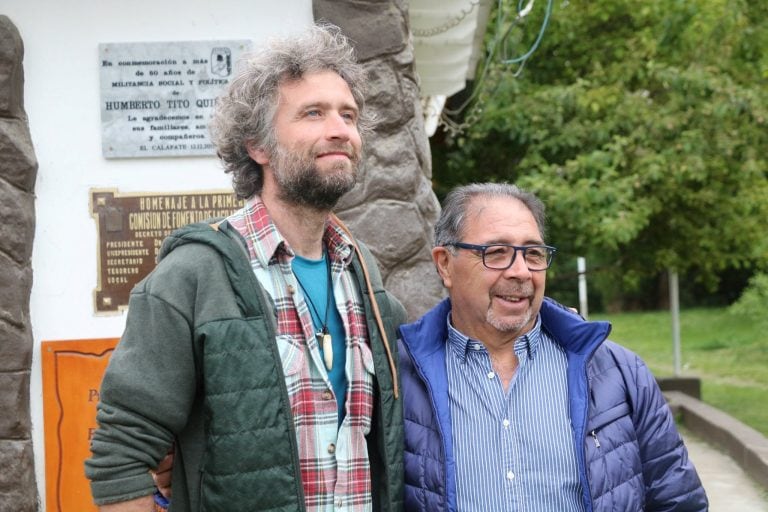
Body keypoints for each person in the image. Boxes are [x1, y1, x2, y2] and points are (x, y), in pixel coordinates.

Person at [85, 24, 407, 512]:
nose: (340, 129)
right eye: (313, 113)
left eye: (349, 115)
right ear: (258, 145)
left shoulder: (364, 275)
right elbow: (121, 456)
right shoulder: (192, 276)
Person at [398, 182, 708, 511]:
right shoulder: (397, 380)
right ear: (445, 264)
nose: (520, 272)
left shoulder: (620, 374)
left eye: (533, 254)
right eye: (496, 253)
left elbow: (679, 502)